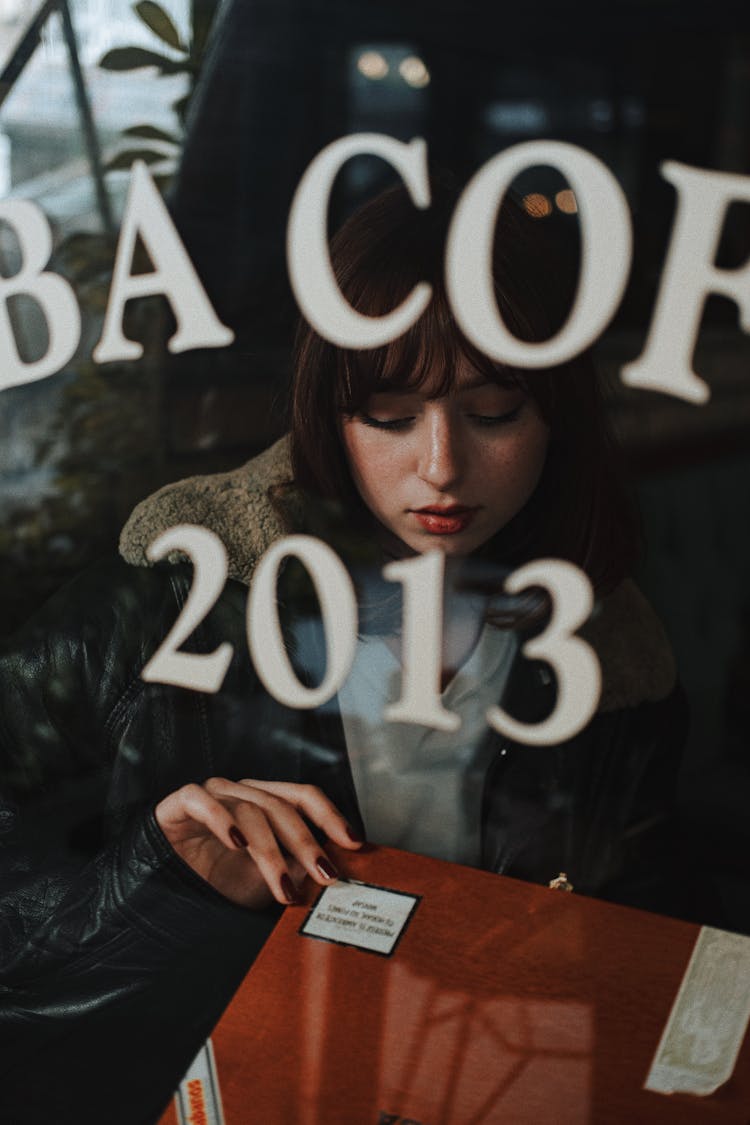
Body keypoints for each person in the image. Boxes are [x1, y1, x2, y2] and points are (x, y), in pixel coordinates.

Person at [0, 183, 689, 1123]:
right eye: (391, 416)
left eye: (493, 413)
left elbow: (648, 935)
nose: (441, 466)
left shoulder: (609, 651)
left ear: (556, 417)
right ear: (329, 414)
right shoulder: (162, 601)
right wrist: (161, 879)